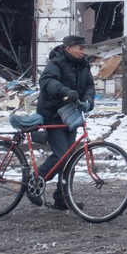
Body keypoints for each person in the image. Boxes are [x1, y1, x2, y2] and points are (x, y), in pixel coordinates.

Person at [34, 34, 96, 210]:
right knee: (62, 156)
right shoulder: (56, 63)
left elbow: (89, 86)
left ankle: (62, 197)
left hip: (71, 115)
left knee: (70, 159)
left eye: (84, 48)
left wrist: (88, 100)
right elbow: (46, 82)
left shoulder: (84, 65)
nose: (83, 52)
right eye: (80, 48)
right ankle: (35, 182)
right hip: (52, 114)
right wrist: (64, 91)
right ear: (68, 48)